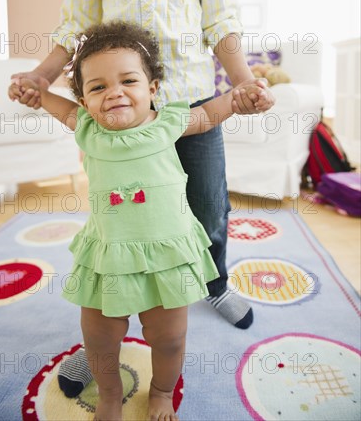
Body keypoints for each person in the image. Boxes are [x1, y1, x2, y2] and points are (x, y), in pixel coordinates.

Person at [8, 0, 275, 398]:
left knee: (206, 205)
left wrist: (242, 82)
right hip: (119, 109)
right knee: (117, 219)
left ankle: (213, 285)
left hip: (190, 100)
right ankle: (105, 333)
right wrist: (42, 75)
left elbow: (219, 19)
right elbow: (75, 23)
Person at [17, 21, 273, 421]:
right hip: (109, 259)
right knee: (100, 340)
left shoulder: (168, 122)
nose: (114, 92)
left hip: (165, 258)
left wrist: (241, 95)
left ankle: (160, 392)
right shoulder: (86, 127)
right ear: (83, 100)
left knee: (169, 340)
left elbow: (209, 114)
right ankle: (109, 396)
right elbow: (51, 102)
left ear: (152, 89)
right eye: (97, 87)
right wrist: (35, 89)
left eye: (128, 81)